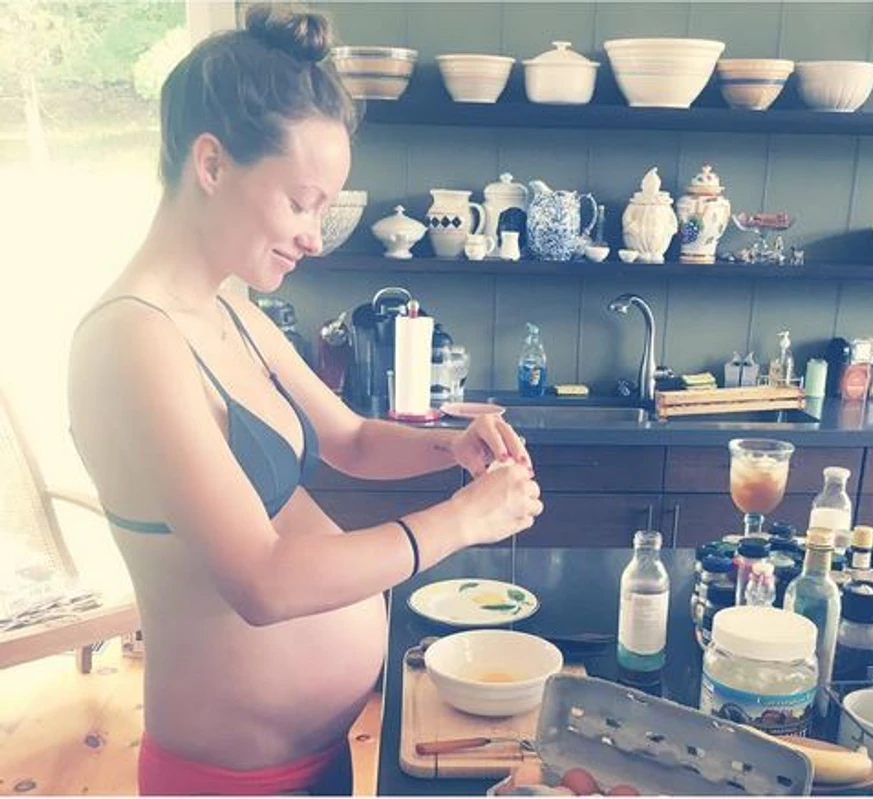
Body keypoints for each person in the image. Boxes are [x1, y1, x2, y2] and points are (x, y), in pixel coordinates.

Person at [67, 5, 542, 796]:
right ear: (211, 165)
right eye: (301, 201)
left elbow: (350, 437)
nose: (316, 236)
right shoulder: (130, 342)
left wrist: (449, 446)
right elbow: (264, 581)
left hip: (317, 761)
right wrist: (460, 521)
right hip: (227, 782)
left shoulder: (230, 311)